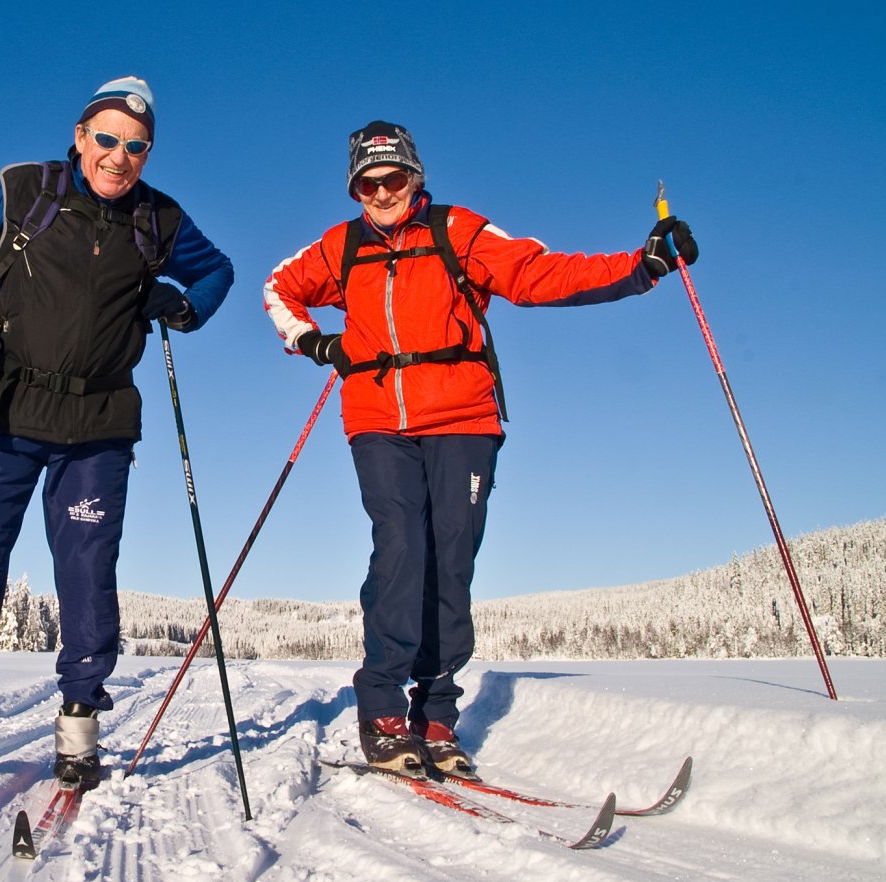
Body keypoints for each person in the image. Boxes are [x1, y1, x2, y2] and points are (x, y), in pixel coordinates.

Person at [262, 120, 696, 776]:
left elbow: (538, 274)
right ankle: (381, 706)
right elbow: (278, 290)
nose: (381, 193)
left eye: (394, 178)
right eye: (367, 183)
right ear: (355, 189)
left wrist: (641, 268)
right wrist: (315, 342)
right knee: (401, 546)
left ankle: (435, 714)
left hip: (464, 417)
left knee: (452, 558)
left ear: (416, 177)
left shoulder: (456, 230)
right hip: (377, 418)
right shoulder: (339, 247)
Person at [0, 77, 234, 789]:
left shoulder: (159, 219)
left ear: (148, 152)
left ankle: (80, 726)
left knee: (87, 569)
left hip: (99, 423)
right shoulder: (25, 190)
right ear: (82, 136)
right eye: (107, 139)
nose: (120, 156)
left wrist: (183, 304)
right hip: (7, 408)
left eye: (136, 146)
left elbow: (218, 272)